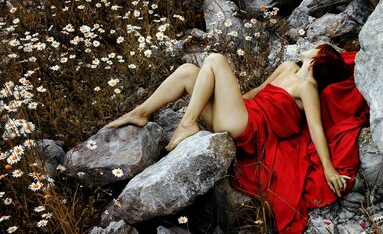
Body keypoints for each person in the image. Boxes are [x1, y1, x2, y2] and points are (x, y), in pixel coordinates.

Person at [105, 43, 353, 198]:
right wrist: (221, 96)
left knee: (215, 60)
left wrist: (329, 170)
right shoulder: (288, 67)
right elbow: (255, 92)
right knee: (189, 72)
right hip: (239, 114)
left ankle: (188, 123)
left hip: (247, 128)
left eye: (317, 47)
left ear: (319, 56)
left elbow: (316, 129)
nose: (311, 46)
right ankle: (141, 113)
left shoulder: (308, 87)